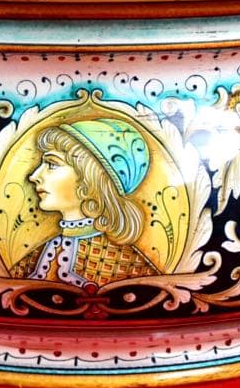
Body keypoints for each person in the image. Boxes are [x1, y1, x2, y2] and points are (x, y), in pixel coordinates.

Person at [10, 118, 158, 287]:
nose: (34, 176)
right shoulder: (40, 254)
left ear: (89, 181)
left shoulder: (125, 263)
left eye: (52, 164)